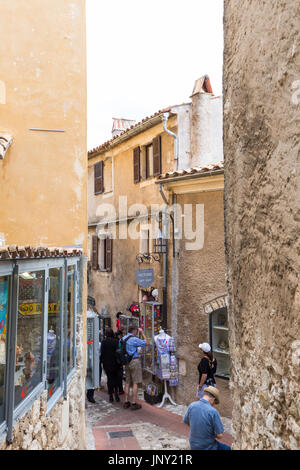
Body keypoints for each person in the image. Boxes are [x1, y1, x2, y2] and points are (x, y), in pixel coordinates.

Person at [183, 386, 231, 450]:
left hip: (193, 445)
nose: (213, 405)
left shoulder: (192, 405)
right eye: (214, 403)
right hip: (207, 446)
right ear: (213, 399)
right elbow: (220, 435)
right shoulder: (213, 411)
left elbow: (185, 422)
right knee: (228, 448)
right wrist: (211, 433)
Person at [122, 326, 147, 410]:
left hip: (126, 362)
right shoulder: (134, 339)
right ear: (134, 331)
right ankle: (133, 402)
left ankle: (126, 401)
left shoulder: (123, 338)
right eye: (136, 331)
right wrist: (142, 333)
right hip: (134, 361)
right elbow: (145, 343)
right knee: (135, 382)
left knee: (127, 382)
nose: (137, 332)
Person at [100, 328, 120, 402]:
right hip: (115, 363)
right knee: (115, 379)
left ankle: (111, 396)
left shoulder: (103, 342)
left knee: (110, 379)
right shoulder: (116, 341)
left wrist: (102, 361)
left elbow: (102, 353)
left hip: (107, 363)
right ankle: (117, 395)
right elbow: (118, 352)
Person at [115, 330, 124, 395]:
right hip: (119, 362)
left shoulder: (114, 341)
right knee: (119, 376)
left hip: (114, 362)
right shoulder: (119, 342)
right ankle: (120, 389)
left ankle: (115, 389)